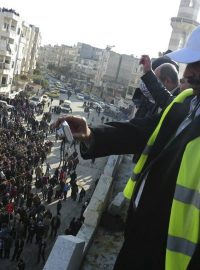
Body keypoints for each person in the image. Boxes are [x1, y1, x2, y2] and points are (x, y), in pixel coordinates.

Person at [53, 26, 200, 270]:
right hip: (139, 231)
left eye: (197, 63)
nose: (189, 72)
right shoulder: (185, 103)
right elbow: (139, 131)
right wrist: (90, 133)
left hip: (170, 257)